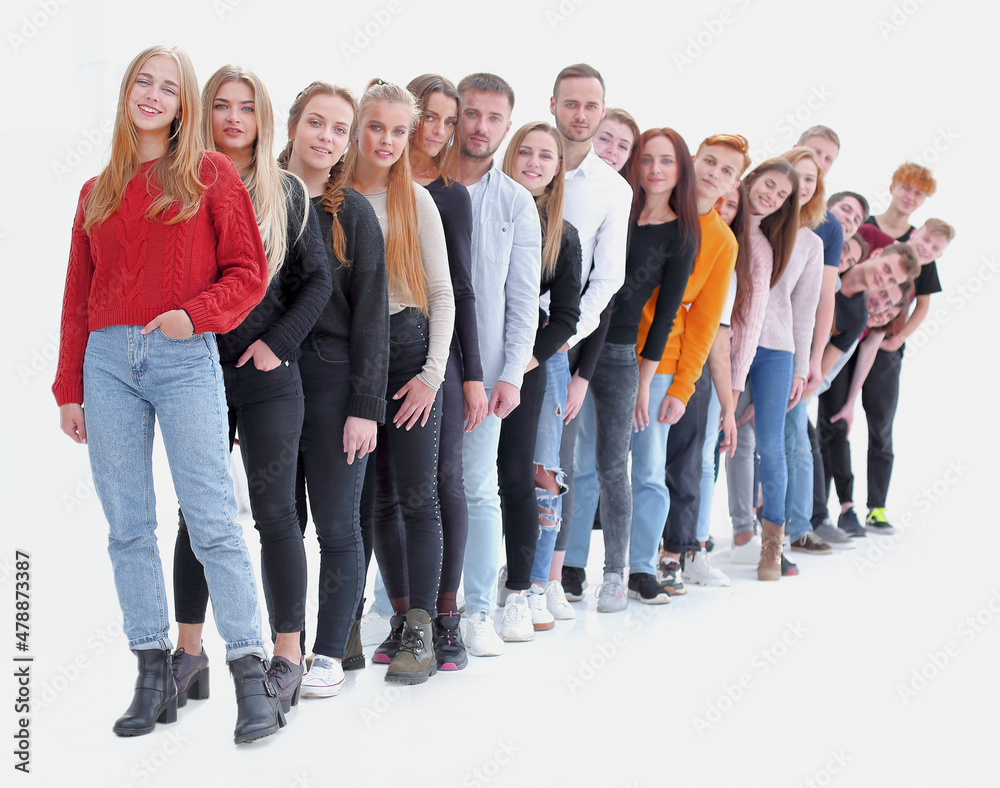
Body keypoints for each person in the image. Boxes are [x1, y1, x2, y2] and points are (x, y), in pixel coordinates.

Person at [53, 46, 283, 743]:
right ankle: (153, 671)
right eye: (142, 83)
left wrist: (196, 316)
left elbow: (249, 273)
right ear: (127, 94)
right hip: (107, 362)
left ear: (184, 105)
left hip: (184, 356)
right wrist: (69, 387)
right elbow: (75, 301)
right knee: (128, 524)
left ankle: (252, 675)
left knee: (212, 518)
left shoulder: (209, 175)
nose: (153, 95)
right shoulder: (95, 190)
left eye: (168, 87)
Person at [171, 65, 332, 717]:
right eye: (221, 106)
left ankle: (287, 655)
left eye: (247, 107)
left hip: (269, 377)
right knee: (198, 517)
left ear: (263, 120)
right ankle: (187, 654)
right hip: (197, 374)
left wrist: (277, 344)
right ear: (202, 114)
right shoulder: (178, 189)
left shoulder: (287, 192)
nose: (234, 117)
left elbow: (315, 283)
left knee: (274, 515)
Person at [282, 82, 390, 697]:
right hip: (270, 378)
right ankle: (286, 648)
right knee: (280, 522)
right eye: (316, 123)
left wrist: (364, 408)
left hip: (334, 377)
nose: (326, 137)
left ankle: (328, 653)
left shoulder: (351, 213)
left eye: (340, 129)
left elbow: (372, 316)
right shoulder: (260, 197)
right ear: (294, 124)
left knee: (338, 526)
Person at [564, 127, 699, 611]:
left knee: (619, 466)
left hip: (623, 354)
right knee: (573, 464)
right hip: (577, 344)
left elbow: (665, 317)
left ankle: (625, 571)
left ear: (680, 170)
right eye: (647, 160)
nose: (655, 170)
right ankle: (568, 567)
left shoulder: (682, 233)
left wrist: (646, 384)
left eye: (667, 161)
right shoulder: (616, 206)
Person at [348, 78, 454, 684]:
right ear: (359, 128)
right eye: (376, 127)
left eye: (398, 130)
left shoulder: (416, 201)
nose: (387, 140)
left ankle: (422, 626)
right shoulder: (331, 197)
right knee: (369, 496)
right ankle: (371, 619)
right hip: (352, 359)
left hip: (410, 352)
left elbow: (442, 294)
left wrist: (431, 376)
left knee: (418, 494)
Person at [629, 134, 749, 597]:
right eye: (710, 162)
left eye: (727, 171)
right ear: (692, 161)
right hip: (613, 353)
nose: (715, 173)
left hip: (669, 367)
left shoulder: (720, 241)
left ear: (732, 184)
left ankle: (657, 561)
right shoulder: (649, 206)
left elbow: (705, 325)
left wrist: (683, 388)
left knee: (662, 468)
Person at [455, 73, 542, 657]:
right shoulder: (419, 184)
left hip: (484, 375)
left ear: (506, 127)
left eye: (493, 118)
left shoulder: (516, 202)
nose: (480, 126)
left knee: (478, 488)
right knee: (402, 489)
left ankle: (477, 611)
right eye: (471, 114)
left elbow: (522, 298)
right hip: (415, 365)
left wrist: (510, 374)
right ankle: (391, 608)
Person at [401, 73, 486, 670]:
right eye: (426, 117)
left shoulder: (452, 195)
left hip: (444, 354)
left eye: (447, 121)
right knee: (389, 491)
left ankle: (447, 615)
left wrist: (473, 372)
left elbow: (461, 288)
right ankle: (409, 617)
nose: (436, 131)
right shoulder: (368, 183)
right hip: (381, 354)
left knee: (445, 482)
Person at [540, 64, 633, 606]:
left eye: (590, 106)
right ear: (552, 103)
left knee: (553, 465)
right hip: (497, 337)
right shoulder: (524, 162)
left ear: (600, 112)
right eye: (571, 103)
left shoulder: (612, 190)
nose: (580, 114)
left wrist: (565, 337)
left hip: (558, 343)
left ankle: (548, 580)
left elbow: (610, 277)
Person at [497, 122, 581, 639]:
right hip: (472, 359)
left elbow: (568, 317)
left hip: (528, 366)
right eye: (524, 151)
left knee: (519, 474)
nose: (533, 161)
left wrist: (527, 360)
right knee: (464, 480)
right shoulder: (482, 209)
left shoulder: (564, 236)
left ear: (558, 168)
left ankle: (523, 588)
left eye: (545, 155)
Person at [723, 157, 803, 580]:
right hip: (724, 347)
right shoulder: (722, 217)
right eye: (768, 185)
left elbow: (754, 317)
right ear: (750, 179)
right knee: (718, 441)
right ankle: (706, 537)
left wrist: (736, 381)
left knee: (769, 446)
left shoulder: (765, 241)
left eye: (782, 195)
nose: (771, 196)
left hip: (771, 351)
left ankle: (772, 546)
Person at [857, 165, 948, 534]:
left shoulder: (919, 243)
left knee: (880, 427)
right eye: (906, 188)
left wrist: (898, 339)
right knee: (833, 425)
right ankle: (827, 509)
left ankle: (876, 508)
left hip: (885, 351)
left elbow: (923, 304)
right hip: (848, 340)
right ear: (893, 186)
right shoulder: (865, 226)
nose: (910, 197)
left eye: (919, 194)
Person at [592, 107, 640, 175]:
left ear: (628, 156)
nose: (613, 151)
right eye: (605, 139)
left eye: (623, 146)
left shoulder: (623, 185)